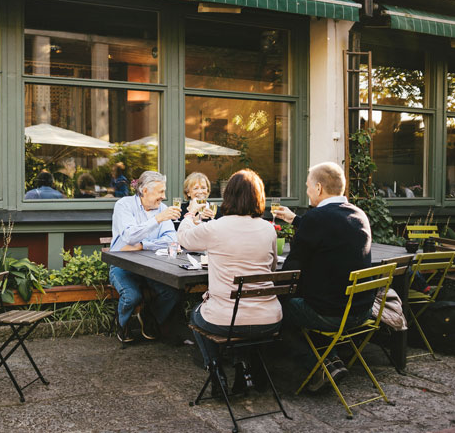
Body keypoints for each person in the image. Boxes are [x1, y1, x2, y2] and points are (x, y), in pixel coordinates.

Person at [178, 169, 282, 394]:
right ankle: (243, 367)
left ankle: (216, 373)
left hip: (227, 319)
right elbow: (271, 269)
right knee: (241, 318)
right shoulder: (268, 229)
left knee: (197, 315)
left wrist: (189, 215)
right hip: (269, 318)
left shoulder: (217, 227)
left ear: (229, 196)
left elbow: (184, 239)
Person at [272, 162, 374, 392]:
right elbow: (332, 231)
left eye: (308, 186)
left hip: (331, 315)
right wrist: (296, 220)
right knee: (318, 299)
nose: (307, 191)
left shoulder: (316, 219)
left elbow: (292, 270)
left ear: (318, 188)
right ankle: (332, 359)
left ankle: (318, 366)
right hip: (362, 310)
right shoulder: (358, 215)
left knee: (277, 307)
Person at [109, 171, 181, 343]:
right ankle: (123, 324)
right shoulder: (124, 205)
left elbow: (172, 240)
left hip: (152, 265)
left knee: (171, 293)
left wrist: (143, 245)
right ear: (144, 191)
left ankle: (151, 318)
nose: (164, 197)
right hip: (122, 264)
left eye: (164, 191)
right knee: (132, 296)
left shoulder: (162, 209)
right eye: (160, 192)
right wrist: (157, 219)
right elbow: (129, 236)